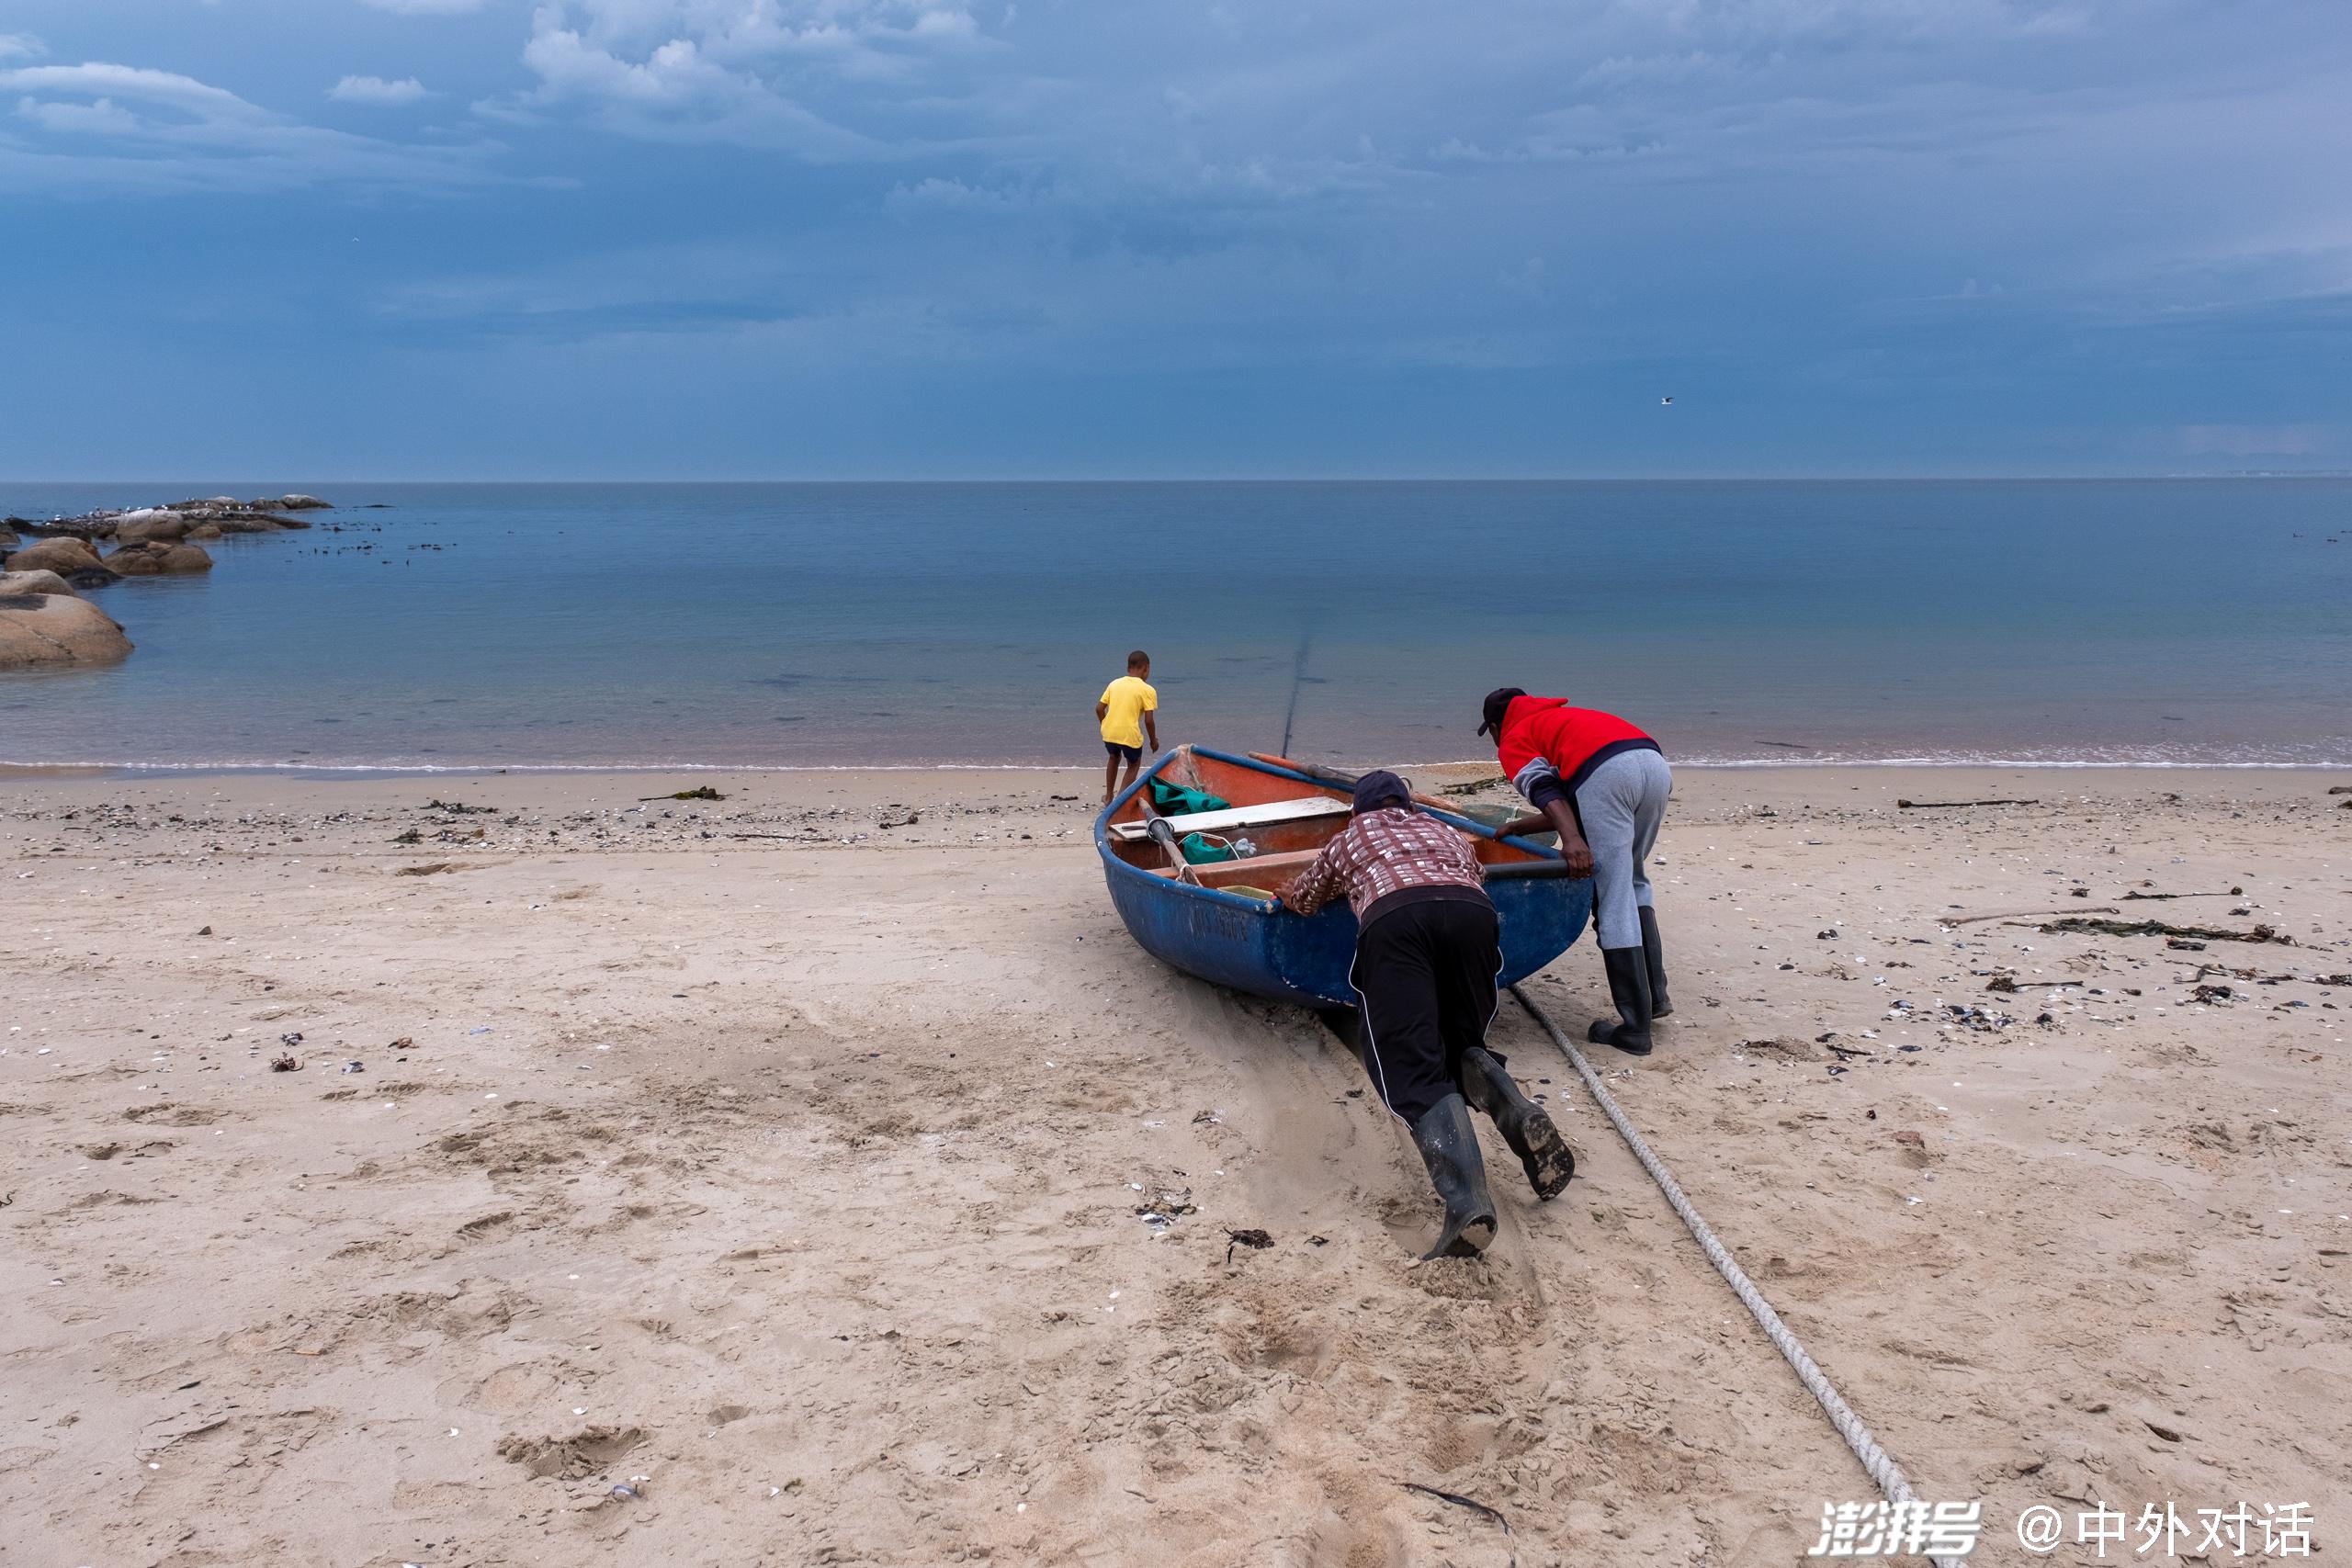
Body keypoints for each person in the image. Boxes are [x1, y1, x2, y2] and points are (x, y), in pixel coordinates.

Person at [1273, 770, 1576, 1259]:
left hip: (1398, 921)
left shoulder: (1349, 837)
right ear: (1408, 804)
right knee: (1459, 1040)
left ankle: (1467, 1203)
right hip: (1472, 919)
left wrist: (1288, 894)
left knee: (1411, 1063)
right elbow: (1472, 875)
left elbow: (1307, 897)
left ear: (1358, 810)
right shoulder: (1445, 830)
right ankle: (1521, 1115)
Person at [1480, 688, 1673, 1055]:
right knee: (1633, 879)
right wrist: (1523, 828)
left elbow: (1545, 787)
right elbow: (1582, 791)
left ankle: (1635, 1030)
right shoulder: (1564, 719)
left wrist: (1571, 840)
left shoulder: (1514, 737)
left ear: (1493, 725)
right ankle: (1655, 997)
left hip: (1608, 774)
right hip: (1653, 763)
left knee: (1611, 892)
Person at [1095, 650, 1159, 805]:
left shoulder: (1114, 683)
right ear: (1146, 669)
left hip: (1109, 732)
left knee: (1114, 757)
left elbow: (1099, 709)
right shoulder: (1147, 689)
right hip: (1129, 734)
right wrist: (1153, 741)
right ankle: (1119, 801)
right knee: (1134, 764)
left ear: (1128, 667)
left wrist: (1105, 724)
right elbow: (1149, 721)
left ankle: (1109, 796)